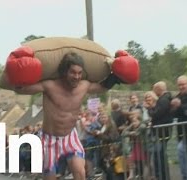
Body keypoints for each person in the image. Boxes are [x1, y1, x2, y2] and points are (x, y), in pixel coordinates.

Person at [14, 52, 128, 180]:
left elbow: (102, 87)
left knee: (80, 173)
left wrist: (116, 71)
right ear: (64, 72)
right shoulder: (49, 86)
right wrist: (17, 70)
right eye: (73, 72)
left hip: (70, 137)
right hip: (49, 140)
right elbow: (21, 89)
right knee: (50, 177)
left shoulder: (84, 86)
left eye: (79, 73)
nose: (77, 76)